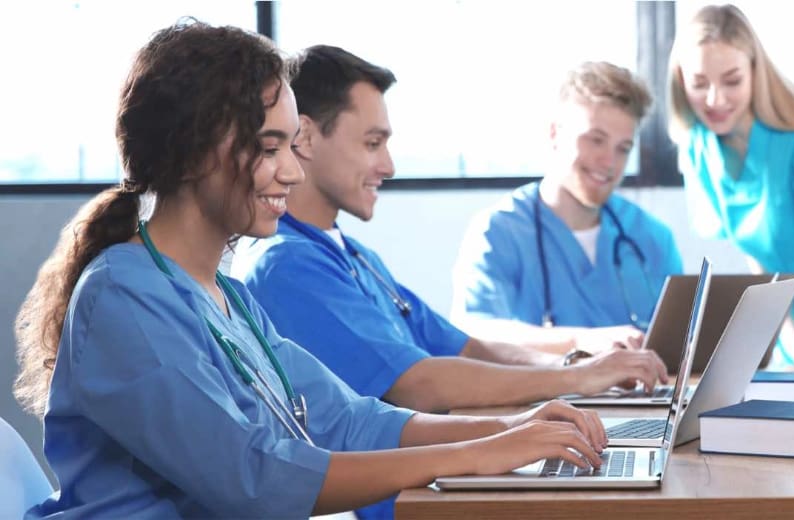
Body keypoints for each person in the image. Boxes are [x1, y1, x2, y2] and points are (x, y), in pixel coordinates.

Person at [13, 20, 609, 520]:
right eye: (270, 148)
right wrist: (475, 455)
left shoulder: (229, 298)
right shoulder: (124, 297)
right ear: (196, 152)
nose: (292, 174)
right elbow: (253, 477)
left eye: (290, 148)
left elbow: (348, 419)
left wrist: (512, 430)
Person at [231, 45, 668, 417]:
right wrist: (576, 376)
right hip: (399, 499)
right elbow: (418, 383)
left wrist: (580, 368)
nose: (389, 166)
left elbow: (464, 347)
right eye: (372, 143)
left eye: (623, 148)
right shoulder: (285, 265)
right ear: (304, 137)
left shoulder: (356, 257)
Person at [449, 61, 683, 357]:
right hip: (539, 401)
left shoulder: (650, 237)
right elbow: (477, 333)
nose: (609, 162)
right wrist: (580, 342)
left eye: (622, 148)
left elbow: (682, 342)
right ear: (554, 134)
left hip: (643, 402)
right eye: (595, 140)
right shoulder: (498, 233)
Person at [667, 3, 794, 367]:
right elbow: (760, 258)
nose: (715, 100)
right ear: (681, 80)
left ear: (756, 72)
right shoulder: (699, 147)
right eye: (699, 83)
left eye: (732, 81)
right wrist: (785, 335)